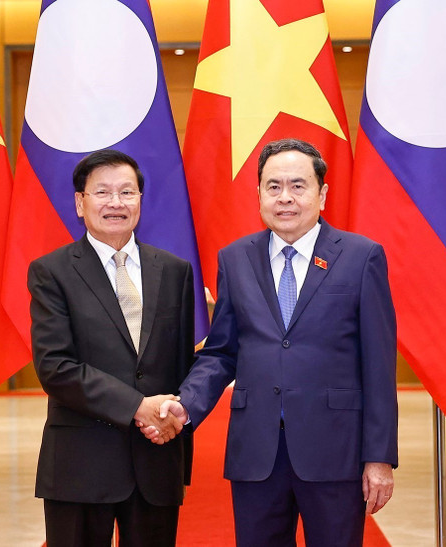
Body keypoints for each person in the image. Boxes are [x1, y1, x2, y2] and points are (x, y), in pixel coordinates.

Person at [143, 138, 398, 547]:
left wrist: (380, 456)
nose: (285, 198)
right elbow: (222, 351)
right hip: (256, 452)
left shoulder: (360, 256)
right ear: (258, 194)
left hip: (335, 450)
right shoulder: (235, 258)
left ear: (322, 194)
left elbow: (379, 366)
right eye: (273, 186)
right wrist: (185, 404)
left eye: (298, 185)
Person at [28, 149, 194, 547]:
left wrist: (174, 420)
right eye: (102, 192)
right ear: (80, 203)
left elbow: (182, 366)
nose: (116, 203)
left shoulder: (175, 271)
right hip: (81, 463)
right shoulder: (51, 272)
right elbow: (56, 367)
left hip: (156, 459)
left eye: (127, 192)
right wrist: (137, 406)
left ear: (140, 200)